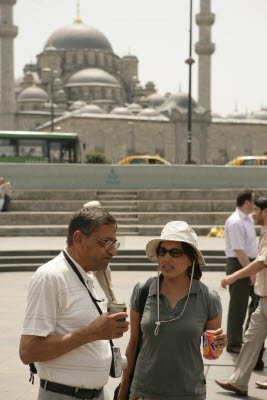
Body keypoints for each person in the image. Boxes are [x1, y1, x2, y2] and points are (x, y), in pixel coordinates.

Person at [19, 207, 129, 400]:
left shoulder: (84, 274)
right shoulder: (50, 277)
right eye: (106, 243)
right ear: (79, 239)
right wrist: (92, 333)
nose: (113, 251)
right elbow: (28, 351)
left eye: (114, 243)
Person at [117, 221, 227, 400]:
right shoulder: (143, 290)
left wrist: (221, 343)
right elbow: (134, 343)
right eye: (162, 252)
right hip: (143, 392)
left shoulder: (208, 297)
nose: (167, 259)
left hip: (189, 393)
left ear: (191, 259)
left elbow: (212, 350)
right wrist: (123, 389)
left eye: (175, 253)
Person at [215, 196, 267, 396]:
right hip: (263, 299)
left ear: (265, 211)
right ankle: (239, 382)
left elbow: (262, 262)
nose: (253, 214)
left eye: (256, 210)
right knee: (251, 339)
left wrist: (233, 276)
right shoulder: (262, 230)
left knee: (250, 338)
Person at [224, 188, 258, 353]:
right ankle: (234, 341)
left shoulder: (248, 219)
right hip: (239, 263)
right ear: (246, 203)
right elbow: (238, 250)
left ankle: (248, 337)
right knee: (238, 304)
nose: (255, 204)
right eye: (253, 200)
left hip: (249, 262)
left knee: (256, 301)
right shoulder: (236, 221)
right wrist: (251, 272)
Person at [83, 200, 117, 307]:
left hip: (102, 260)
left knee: (106, 284)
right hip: (91, 260)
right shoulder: (87, 225)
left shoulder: (105, 224)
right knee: (88, 282)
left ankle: (113, 303)